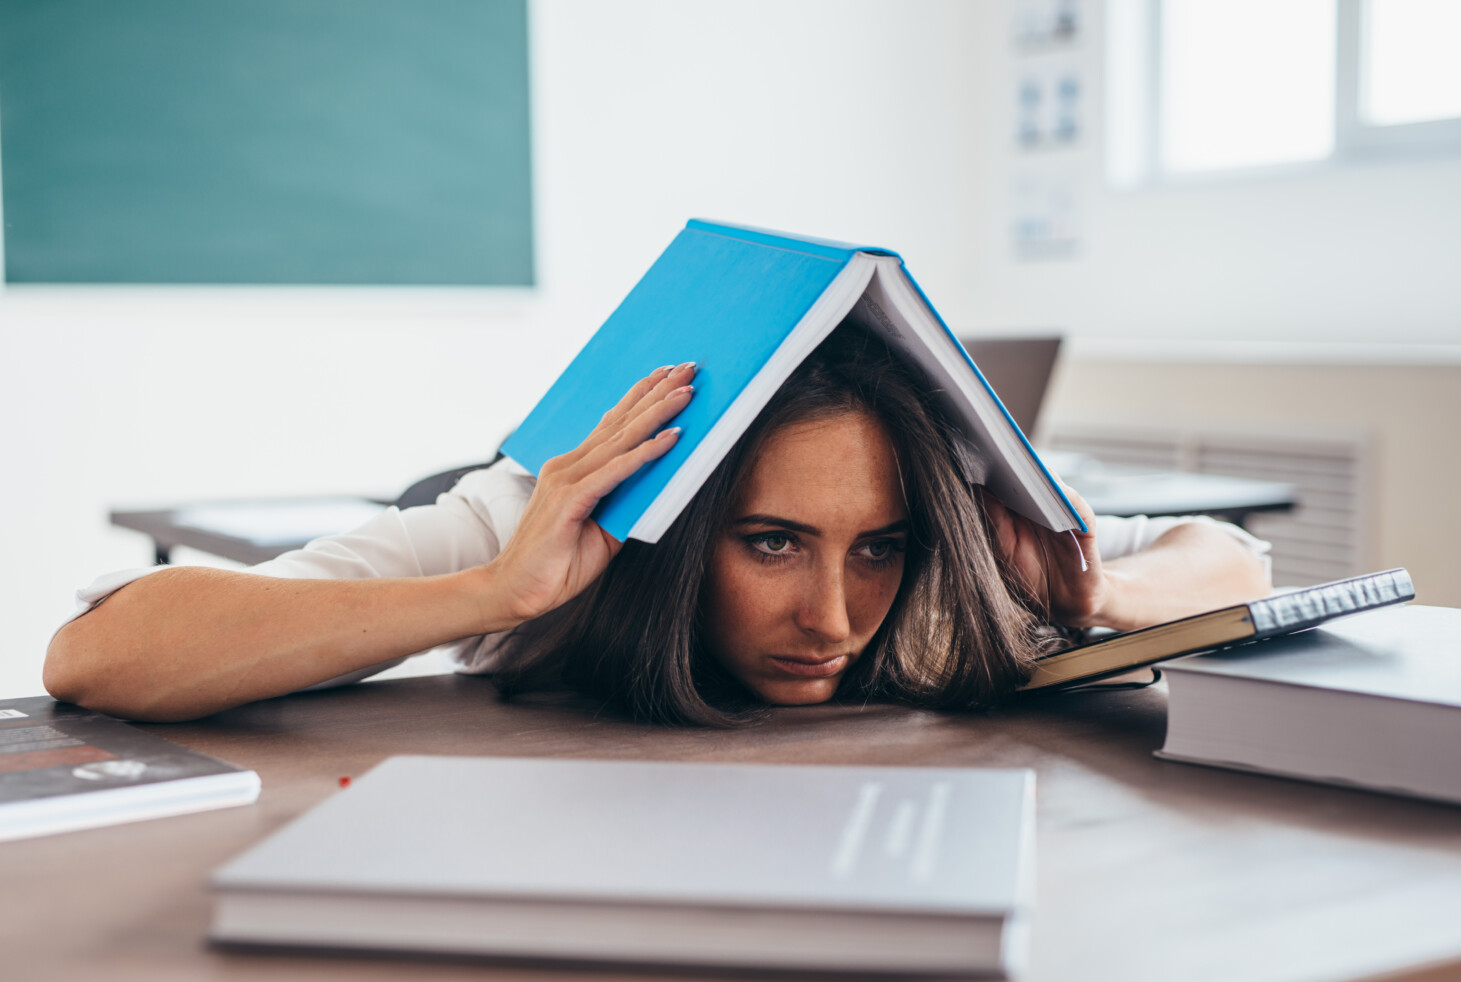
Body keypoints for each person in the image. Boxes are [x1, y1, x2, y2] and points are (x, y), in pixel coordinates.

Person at [44, 326, 1271, 724]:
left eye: (877, 548)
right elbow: (97, 653)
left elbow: (1234, 556)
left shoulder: (952, 520)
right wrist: (495, 591)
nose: (834, 617)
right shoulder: (528, 517)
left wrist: (1095, 596)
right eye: (772, 540)